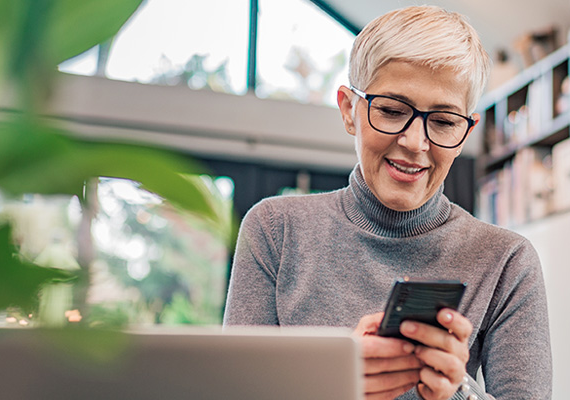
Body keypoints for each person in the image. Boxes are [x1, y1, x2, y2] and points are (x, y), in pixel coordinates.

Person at [223, 6, 552, 400]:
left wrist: (458, 392)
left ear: (466, 133)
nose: (415, 143)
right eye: (392, 111)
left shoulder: (506, 261)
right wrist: (333, 380)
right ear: (350, 110)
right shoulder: (275, 230)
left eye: (444, 121)